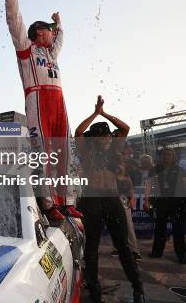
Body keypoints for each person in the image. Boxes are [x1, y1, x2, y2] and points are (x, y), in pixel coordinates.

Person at [3, 0, 81, 221]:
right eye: (49, 29)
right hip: (37, 98)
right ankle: (49, 203)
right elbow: (15, 20)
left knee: (65, 149)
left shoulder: (51, 52)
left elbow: (60, 39)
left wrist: (60, 23)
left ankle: (67, 200)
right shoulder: (26, 48)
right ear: (39, 32)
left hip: (58, 100)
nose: (53, 33)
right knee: (44, 150)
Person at [75, 95, 145, 303]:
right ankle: (95, 291)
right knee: (92, 247)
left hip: (112, 199)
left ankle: (138, 288)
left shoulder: (114, 148)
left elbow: (124, 128)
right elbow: (79, 132)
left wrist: (104, 113)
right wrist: (95, 113)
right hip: (91, 199)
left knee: (123, 245)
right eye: (102, 136)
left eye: (107, 136)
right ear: (94, 139)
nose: (106, 139)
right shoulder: (86, 150)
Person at [146, 148, 185, 263]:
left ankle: (181, 255)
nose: (166, 156)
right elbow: (148, 185)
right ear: (161, 156)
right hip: (160, 203)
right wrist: (147, 200)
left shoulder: (180, 170)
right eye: (164, 154)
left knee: (178, 230)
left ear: (173, 156)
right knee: (159, 229)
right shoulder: (154, 170)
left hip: (177, 203)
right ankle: (157, 252)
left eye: (169, 155)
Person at [111, 155, 142, 261]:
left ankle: (134, 250)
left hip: (123, 199)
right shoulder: (109, 172)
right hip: (111, 199)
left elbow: (130, 187)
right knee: (115, 225)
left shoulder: (126, 173)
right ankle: (117, 248)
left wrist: (132, 199)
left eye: (121, 162)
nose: (120, 164)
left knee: (128, 225)